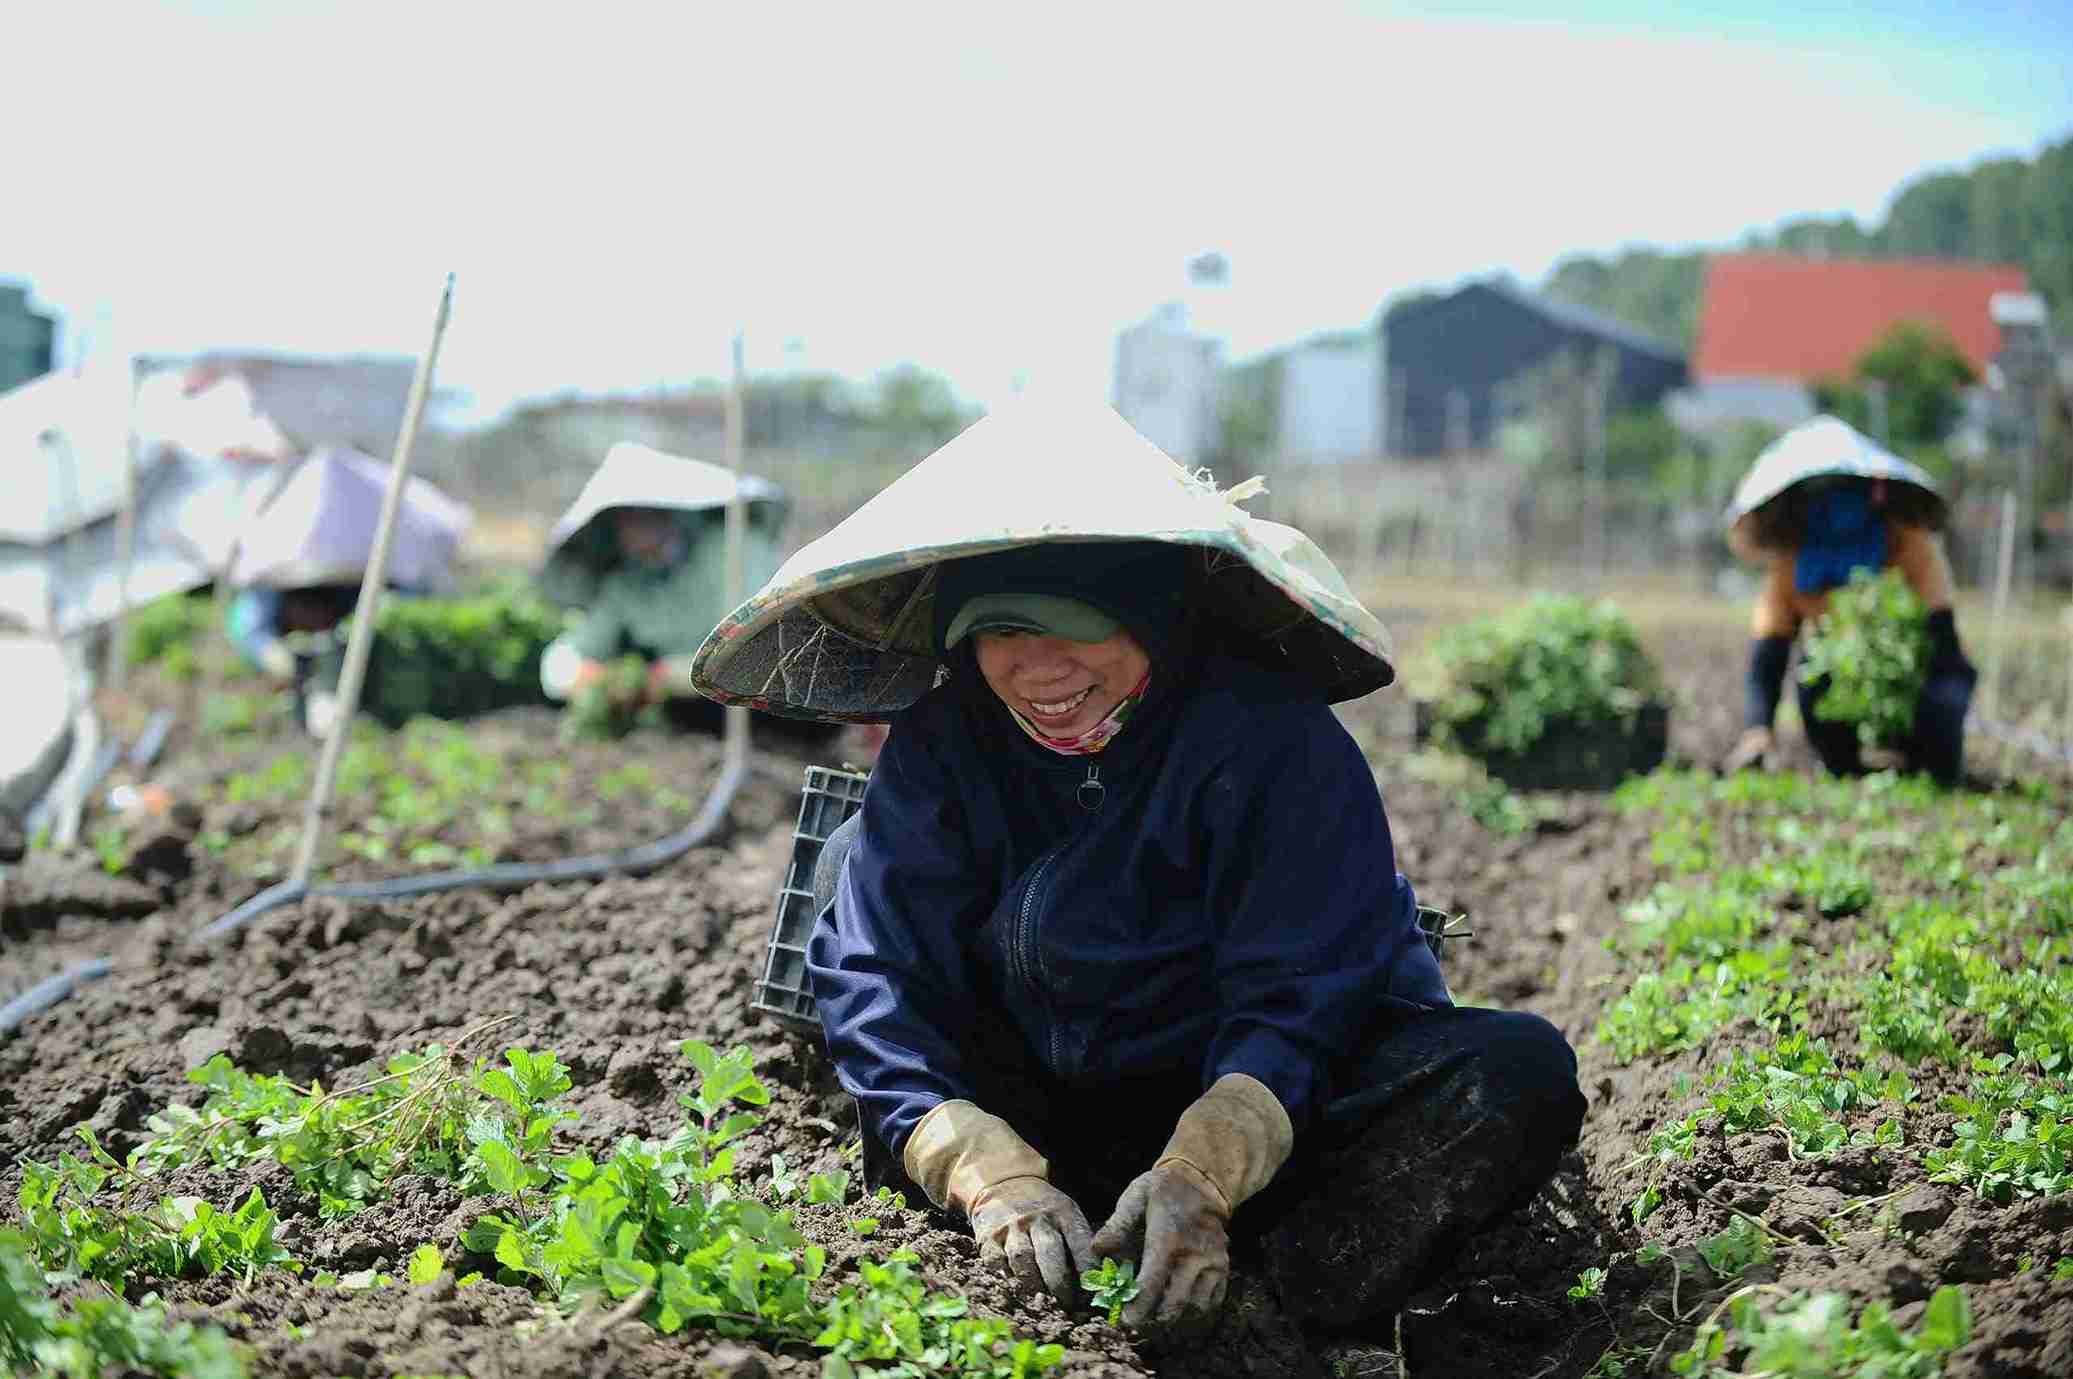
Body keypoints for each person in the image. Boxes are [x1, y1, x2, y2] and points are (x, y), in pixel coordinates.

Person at [690, 400, 1586, 1344]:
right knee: (849, 879)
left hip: (1247, 1108)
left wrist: (1204, 1171)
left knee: (1511, 1069)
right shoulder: (942, 744)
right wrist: (981, 1165)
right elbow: (875, 975)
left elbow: (1304, 998)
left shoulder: (1270, 744)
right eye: (1000, 635)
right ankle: (1016, 1279)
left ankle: (1263, 1311)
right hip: (1039, 1113)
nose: (1036, 670)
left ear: (1148, 615)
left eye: (1069, 628)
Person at [538, 443, 848, 751]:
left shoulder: (732, 548)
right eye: (624, 517)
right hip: (695, 715)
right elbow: (563, 658)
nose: (634, 525)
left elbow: (755, 649)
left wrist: (661, 677)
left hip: (777, 704)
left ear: (669, 510)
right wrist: (584, 675)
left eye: (644, 512)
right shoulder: (625, 584)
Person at [1720, 416, 1976, 784]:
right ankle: (1844, 763)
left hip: (1912, 678)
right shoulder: (1791, 566)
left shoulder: (1907, 545)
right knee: (1815, 678)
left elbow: (1942, 638)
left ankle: (1918, 756)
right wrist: (1757, 730)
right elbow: (1769, 654)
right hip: (1835, 686)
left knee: (1942, 699)